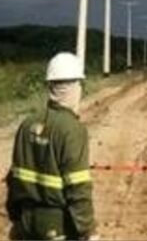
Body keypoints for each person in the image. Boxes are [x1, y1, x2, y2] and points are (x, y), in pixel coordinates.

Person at [6, 52, 97, 240]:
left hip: (26, 222)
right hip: (57, 225)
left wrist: (16, 219)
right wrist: (87, 230)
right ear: (75, 87)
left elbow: (13, 178)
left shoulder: (27, 124)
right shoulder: (72, 129)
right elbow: (78, 187)